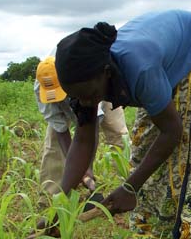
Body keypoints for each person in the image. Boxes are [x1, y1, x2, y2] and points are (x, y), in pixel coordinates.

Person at [52, 10, 191, 239]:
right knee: (144, 146)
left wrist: (130, 188)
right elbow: (83, 140)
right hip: (161, 61)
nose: (87, 102)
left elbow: (172, 130)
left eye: (89, 94)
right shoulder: (84, 84)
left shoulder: (139, 67)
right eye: (77, 97)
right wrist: (60, 206)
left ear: (106, 73)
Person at [34, 56, 128, 196]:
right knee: (53, 142)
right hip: (71, 91)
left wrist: (86, 166)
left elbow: (92, 126)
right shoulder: (41, 86)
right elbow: (61, 130)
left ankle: (128, 186)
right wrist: (78, 170)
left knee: (118, 134)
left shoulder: (84, 79)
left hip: (100, 91)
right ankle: (52, 196)